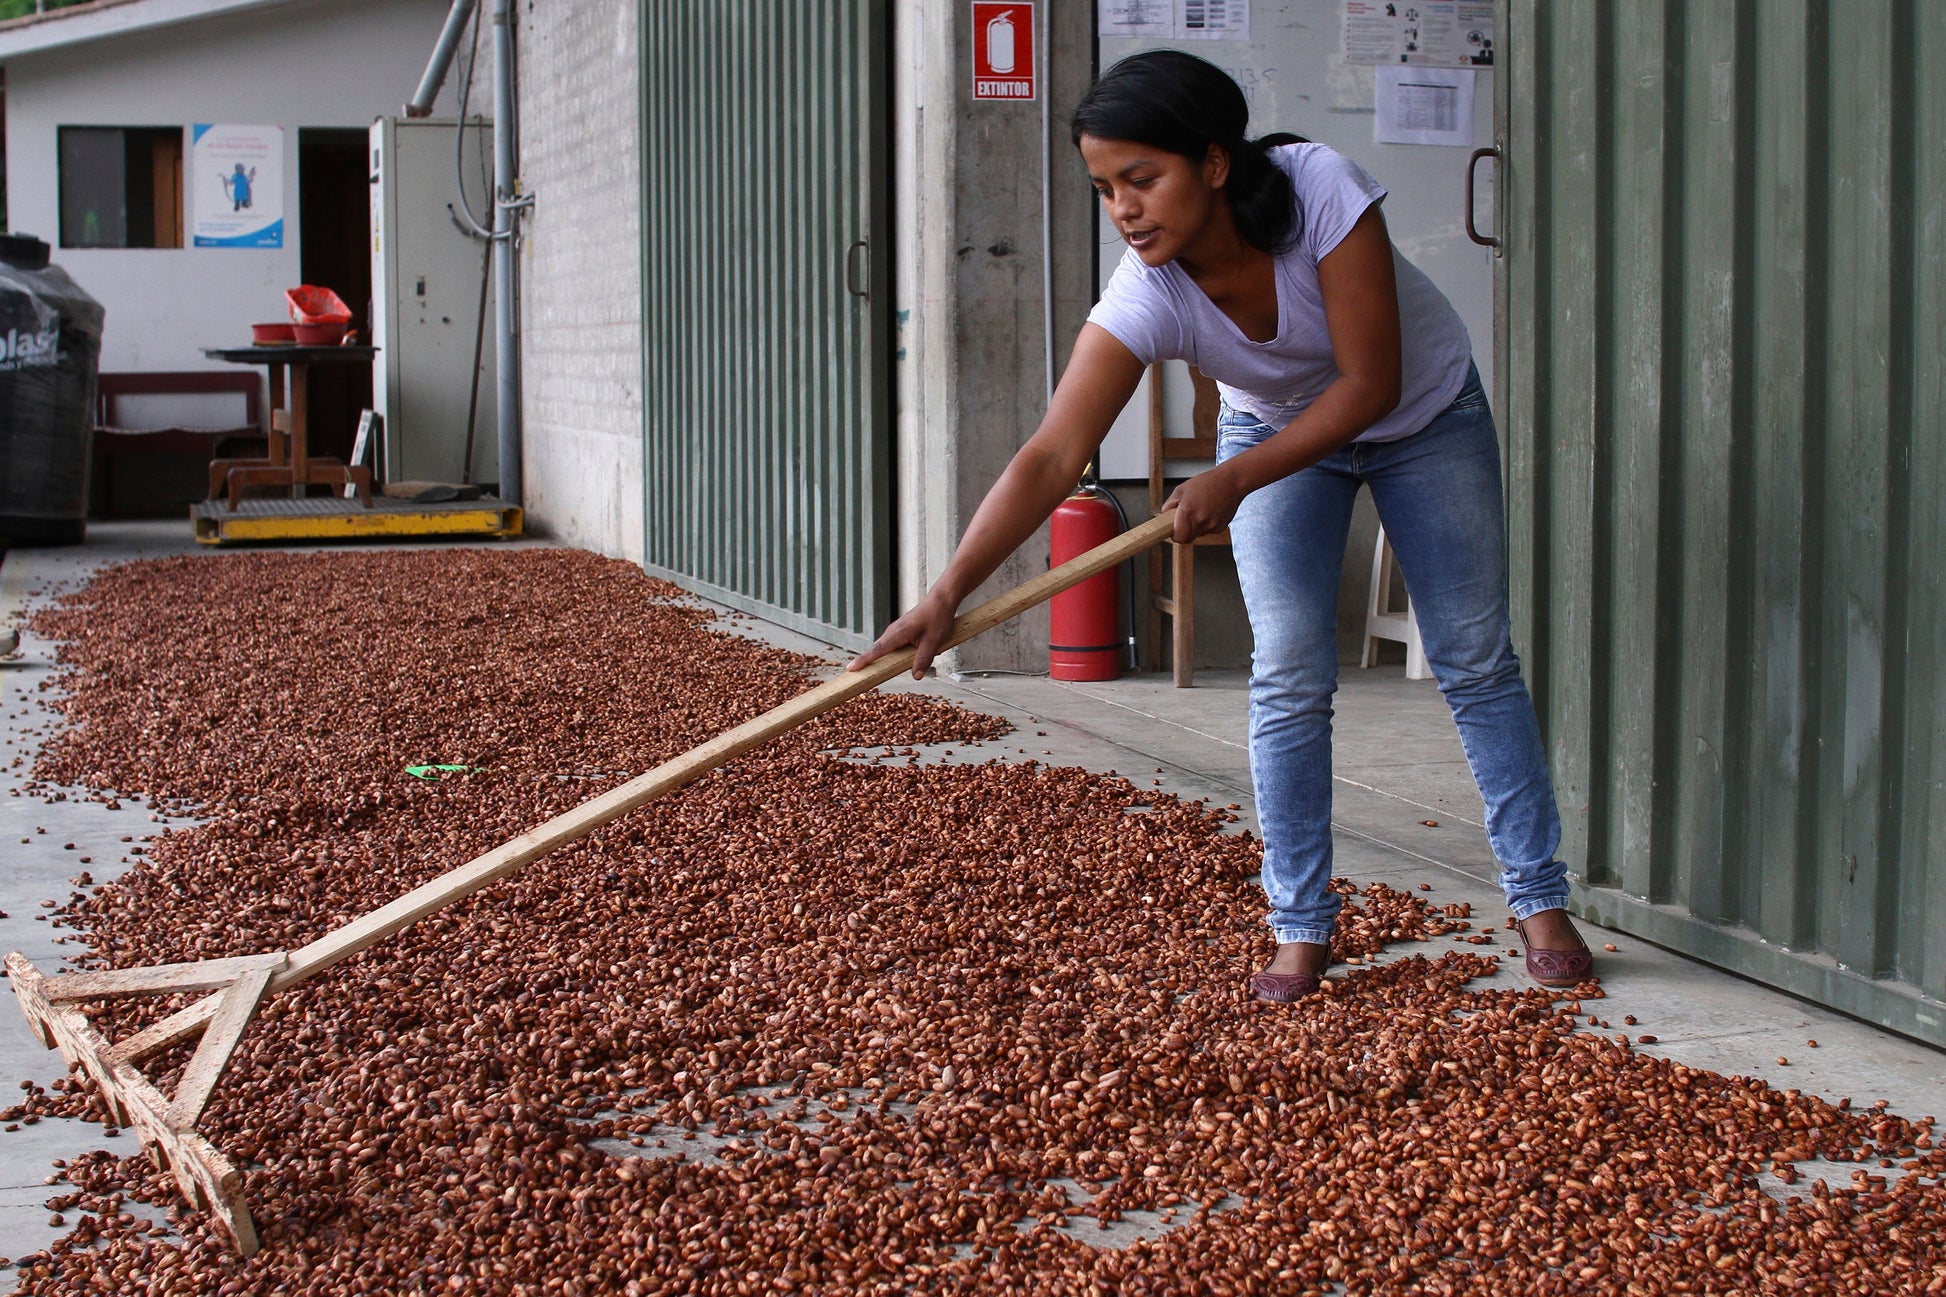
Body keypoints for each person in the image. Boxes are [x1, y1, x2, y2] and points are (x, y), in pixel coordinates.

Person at [849, 50, 1592, 1002]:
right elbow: (1049, 454)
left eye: (1142, 178)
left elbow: (1371, 383)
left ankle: (1538, 897)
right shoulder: (1146, 291)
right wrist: (946, 591)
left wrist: (1231, 479)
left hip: (1424, 417)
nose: (1124, 208)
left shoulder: (1319, 189)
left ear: (1212, 162)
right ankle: (1300, 924)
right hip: (1278, 432)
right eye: (1105, 187)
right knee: (1286, 668)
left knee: (1474, 655)